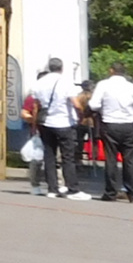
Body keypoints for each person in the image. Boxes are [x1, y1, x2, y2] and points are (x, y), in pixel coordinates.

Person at [27, 57, 89, 200]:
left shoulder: (39, 83)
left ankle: (52, 189)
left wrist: (35, 124)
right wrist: (81, 113)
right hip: (63, 122)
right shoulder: (65, 82)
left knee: (49, 156)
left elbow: (36, 106)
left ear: (49, 67)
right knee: (68, 157)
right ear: (61, 68)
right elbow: (76, 103)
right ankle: (72, 189)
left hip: (45, 123)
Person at [88, 61, 133, 203]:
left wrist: (103, 108)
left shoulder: (103, 85)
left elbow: (93, 105)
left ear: (111, 70)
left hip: (110, 123)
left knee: (111, 159)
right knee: (130, 160)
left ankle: (111, 192)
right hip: (129, 124)